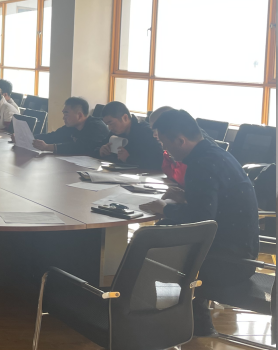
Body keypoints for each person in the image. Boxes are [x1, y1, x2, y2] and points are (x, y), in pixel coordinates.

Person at [140, 110, 259, 336]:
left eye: (165, 144)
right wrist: (185, 198)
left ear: (180, 141)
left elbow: (201, 219)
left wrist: (164, 208)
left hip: (228, 263)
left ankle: (159, 316)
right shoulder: (216, 154)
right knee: (162, 232)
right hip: (243, 253)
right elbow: (215, 206)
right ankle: (193, 319)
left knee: (151, 243)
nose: (165, 150)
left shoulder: (201, 164)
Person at [95, 101, 163, 169]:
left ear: (125, 118)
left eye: (111, 123)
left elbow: (159, 161)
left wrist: (128, 158)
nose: (110, 128)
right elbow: (95, 148)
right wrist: (100, 151)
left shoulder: (146, 132)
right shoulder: (115, 132)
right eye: (107, 124)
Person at [31, 97, 109, 154]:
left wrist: (48, 147)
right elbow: (54, 136)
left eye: (66, 114)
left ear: (79, 115)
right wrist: (31, 138)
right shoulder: (72, 126)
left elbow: (81, 148)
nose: (63, 118)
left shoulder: (96, 127)